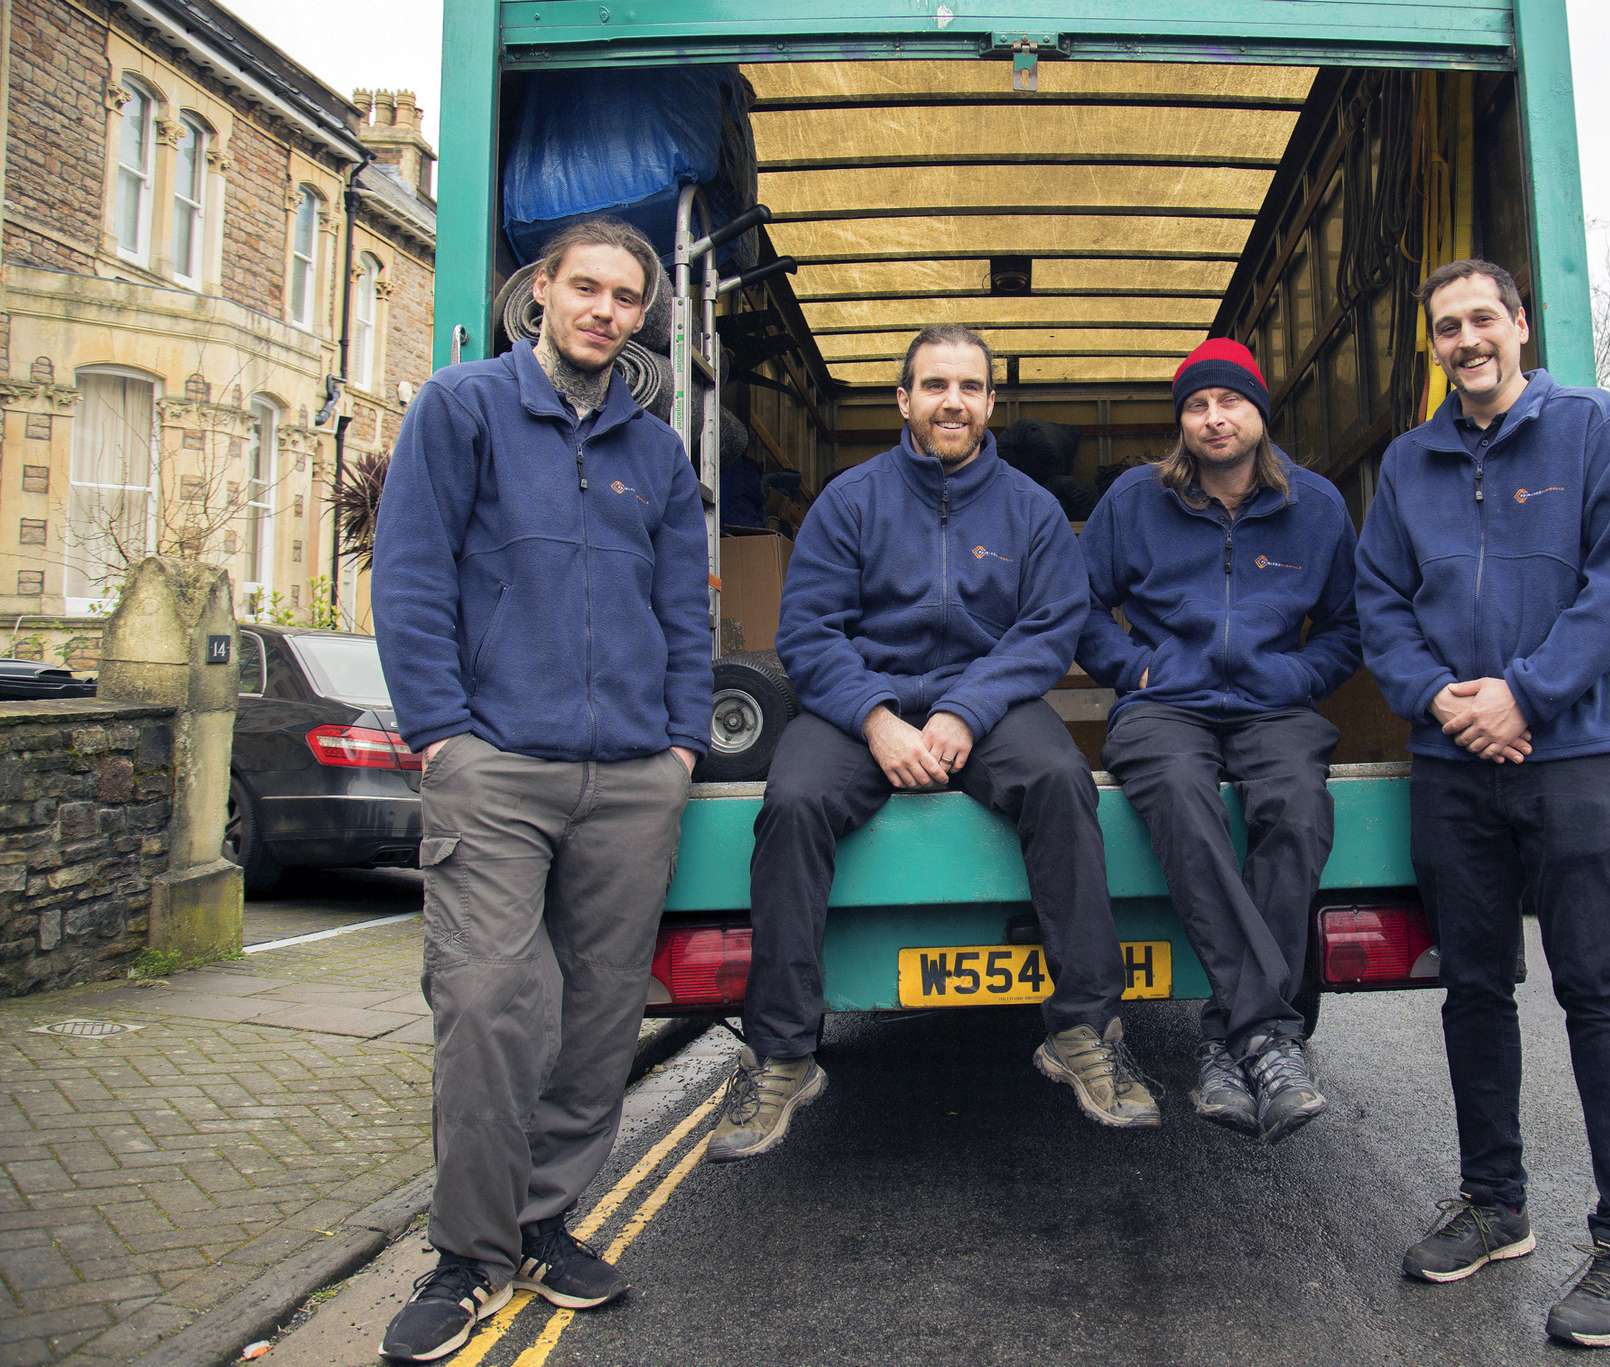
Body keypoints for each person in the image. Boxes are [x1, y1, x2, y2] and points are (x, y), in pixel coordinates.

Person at [371, 218, 711, 1363]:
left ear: (641, 319)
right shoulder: (460, 407)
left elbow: (684, 609)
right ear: (541, 295)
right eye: (587, 288)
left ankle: (541, 1222)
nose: (604, 310)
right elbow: (410, 574)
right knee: (484, 1005)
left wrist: (679, 745)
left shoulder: (655, 452)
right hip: (495, 767)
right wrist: (440, 733)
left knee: (601, 1015)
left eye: (626, 297)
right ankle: (466, 1254)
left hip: (632, 775)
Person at [708, 324, 1159, 1162]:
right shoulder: (850, 500)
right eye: (936, 385)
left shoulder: (1030, 509)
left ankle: (1084, 1030)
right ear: (903, 399)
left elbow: (1049, 627)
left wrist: (964, 711)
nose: (954, 402)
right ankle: (781, 1053)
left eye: (970, 387)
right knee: (794, 800)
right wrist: (876, 719)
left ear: (990, 403)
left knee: (1061, 780)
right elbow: (808, 632)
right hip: (861, 705)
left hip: (987, 704)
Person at [1355, 258, 1610, 1348]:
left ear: (1520, 325)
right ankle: (1494, 1203)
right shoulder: (1410, 462)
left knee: (1600, 991)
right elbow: (1379, 602)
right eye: (1446, 327)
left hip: (1574, 756)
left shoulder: (1594, 428)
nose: (1466, 340)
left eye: (1481, 318)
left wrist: (1522, 694)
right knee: (1474, 988)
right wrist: (1441, 699)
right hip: (1453, 763)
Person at [1077, 338, 1361, 1144]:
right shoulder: (1136, 499)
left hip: (1274, 706)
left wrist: (1298, 676)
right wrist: (1134, 670)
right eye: (1197, 405)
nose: (1213, 418)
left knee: (1298, 809)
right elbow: (1079, 605)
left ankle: (1227, 1038)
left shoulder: (1316, 506)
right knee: (1178, 796)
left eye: (1230, 401)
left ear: (1259, 412)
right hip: (1166, 705)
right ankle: (1265, 1033)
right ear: (1182, 422)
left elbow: (1348, 625)